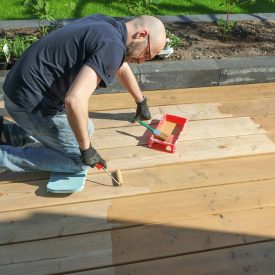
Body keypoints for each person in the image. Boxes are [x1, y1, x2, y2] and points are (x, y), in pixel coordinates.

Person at [0, 14, 166, 173]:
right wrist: (86, 150)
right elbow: (74, 100)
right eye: (147, 54)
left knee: (86, 128)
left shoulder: (110, 26)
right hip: (28, 102)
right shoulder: (113, 47)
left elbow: (119, 64)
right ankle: (4, 157)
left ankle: (10, 134)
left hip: (21, 88)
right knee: (78, 162)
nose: (142, 61)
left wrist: (140, 100)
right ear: (142, 34)